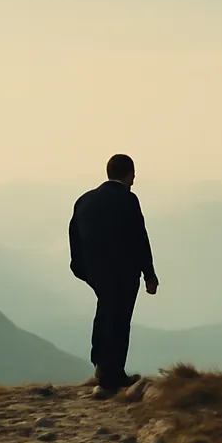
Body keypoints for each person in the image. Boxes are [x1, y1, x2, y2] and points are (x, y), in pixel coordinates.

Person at [68, 153, 158, 397]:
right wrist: (149, 274)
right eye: (133, 176)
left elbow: (74, 238)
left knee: (105, 310)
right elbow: (140, 238)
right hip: (124, 271)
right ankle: (112, 376)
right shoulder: (128, 200)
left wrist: (81, 269)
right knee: (119, 319)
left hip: (95, 271)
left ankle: (100, 365)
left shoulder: (84, 201)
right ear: (129, 174)